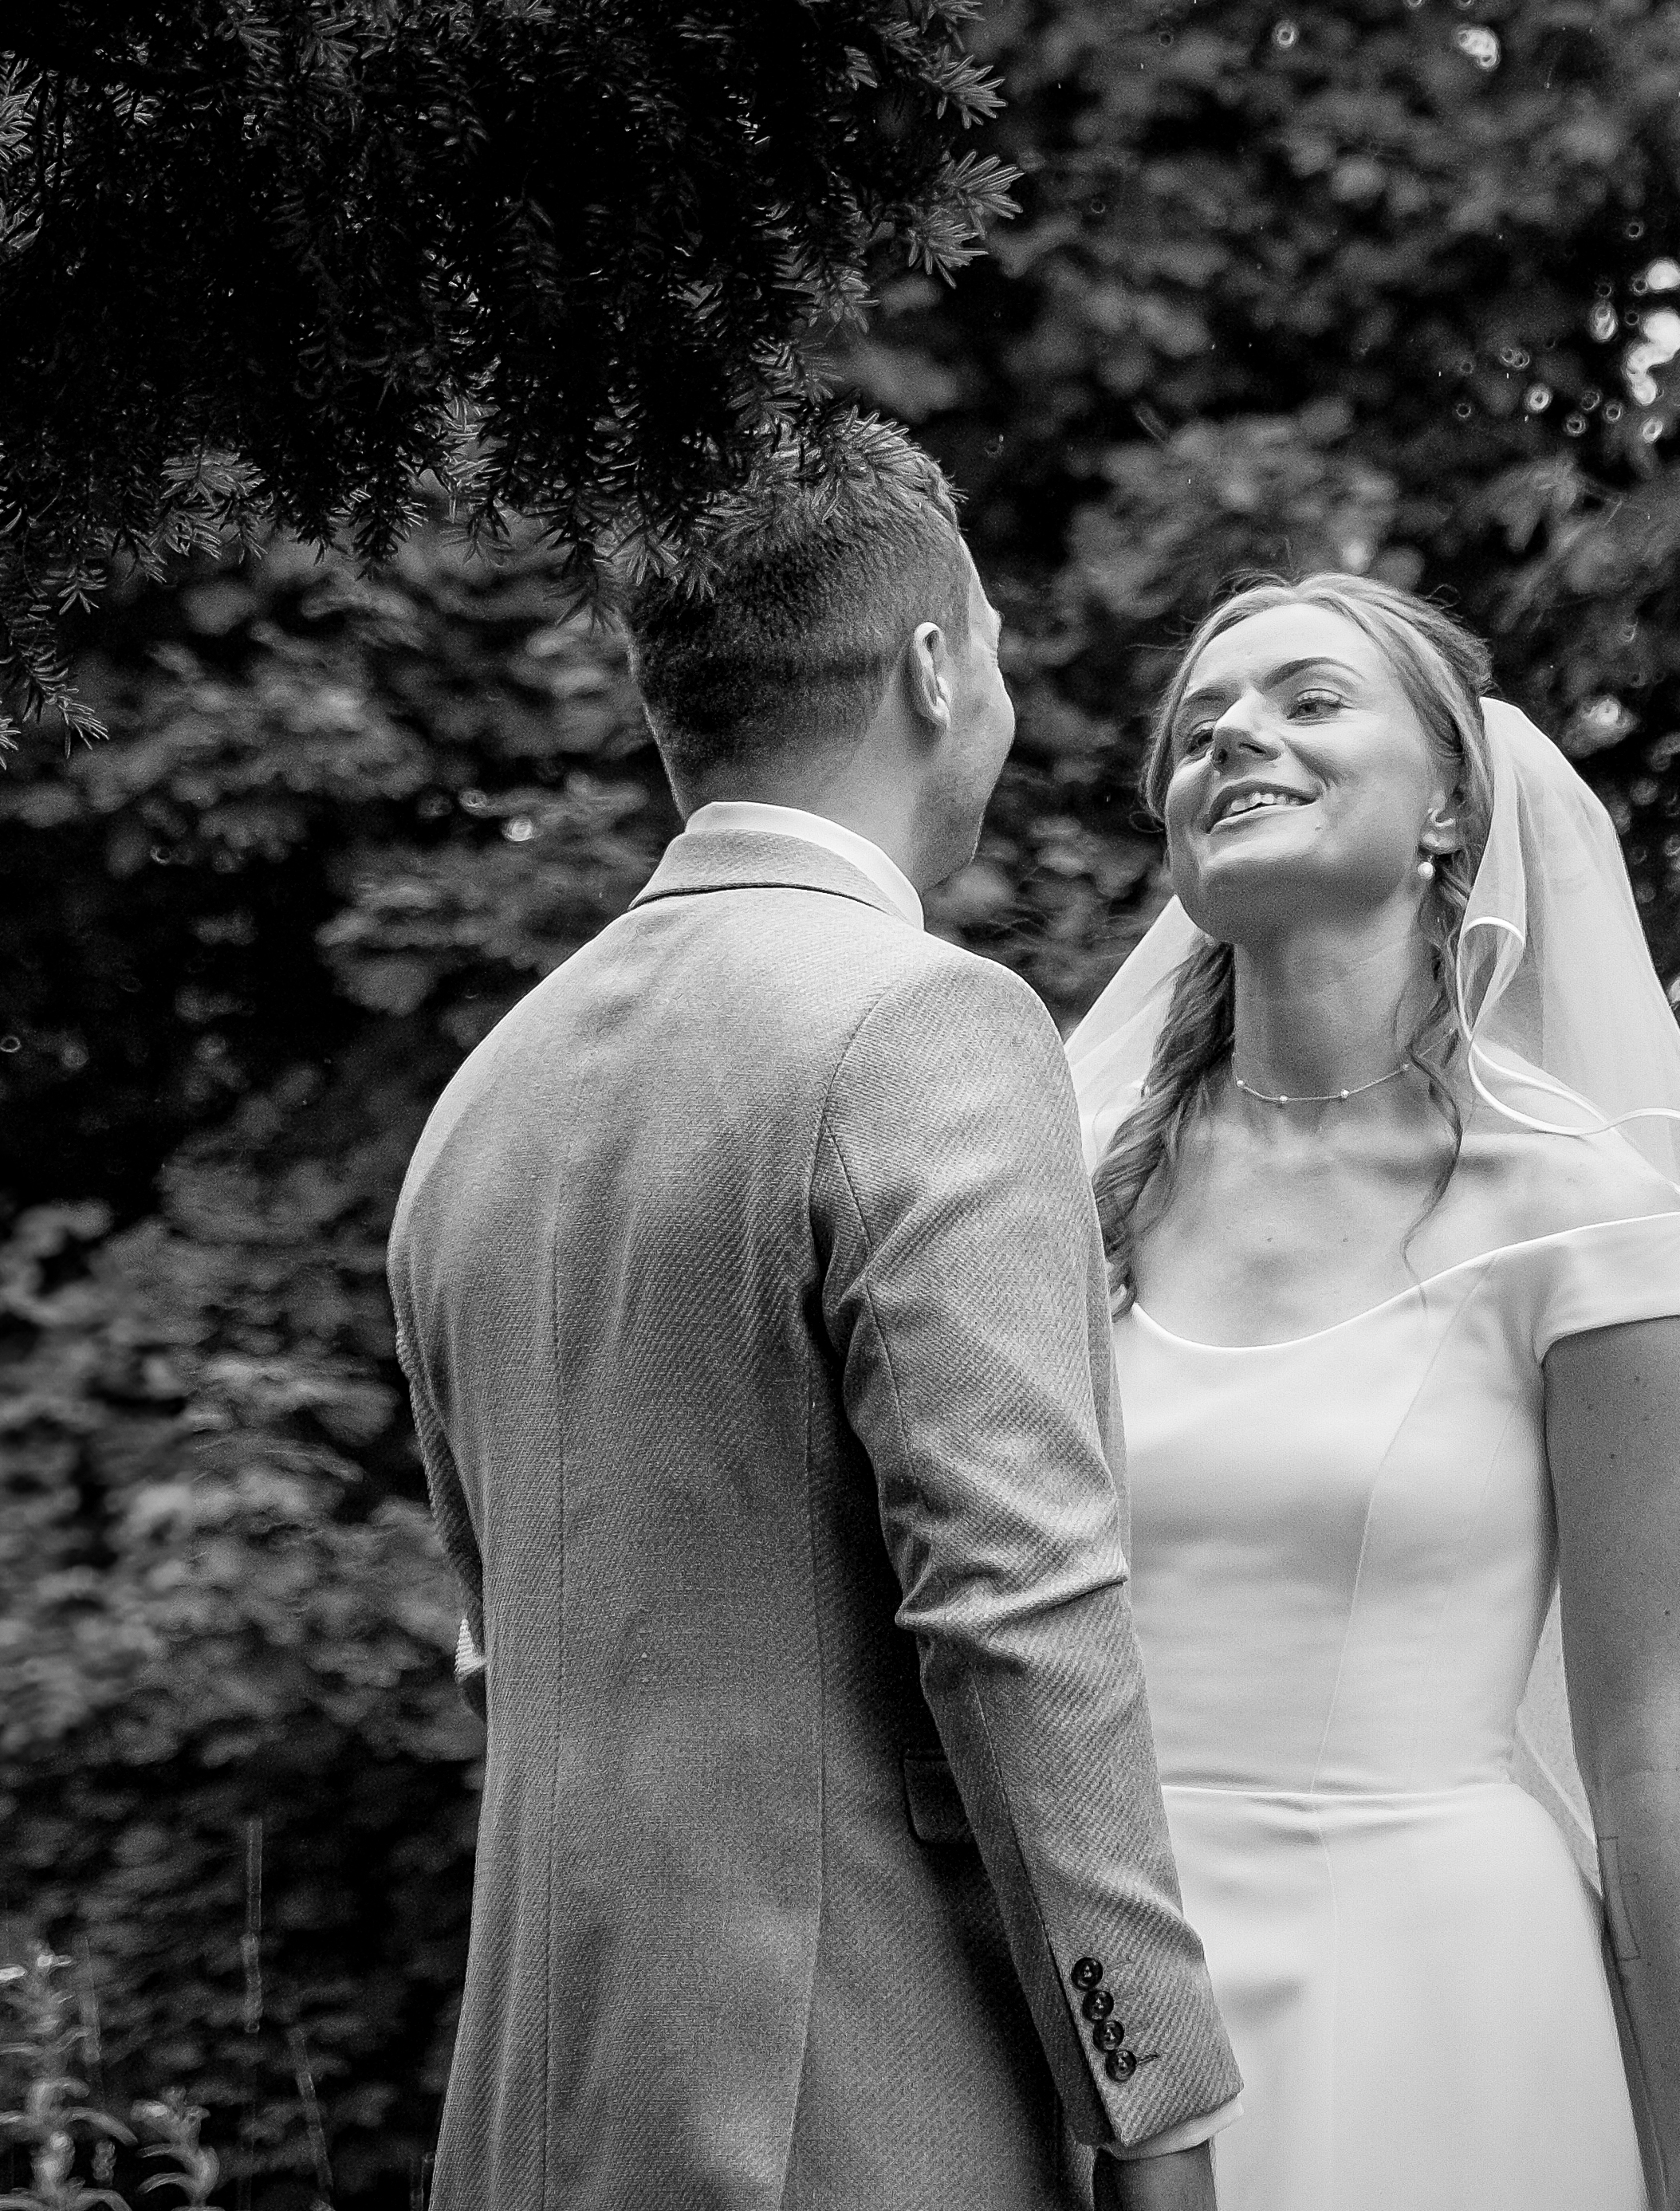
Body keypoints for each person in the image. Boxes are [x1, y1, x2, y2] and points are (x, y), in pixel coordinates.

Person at [388, 421, 1241, 2211]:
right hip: (857, 2092)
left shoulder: (482, 1101)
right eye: (997, 637)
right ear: (936, 666)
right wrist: (1155, 2097)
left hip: (546, 2110)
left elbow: (502, 1653)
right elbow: (1016, 1606)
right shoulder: (921, 1026)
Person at [1064, 576, 1680, 2211]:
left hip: (1438, 1998)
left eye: (1308, 700)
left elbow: (1642, 1755)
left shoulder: (1591, 1214)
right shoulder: (1059, 1188)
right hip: (1084, 1990)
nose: (1235, 737)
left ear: (1451, 809)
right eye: (1199, 726)